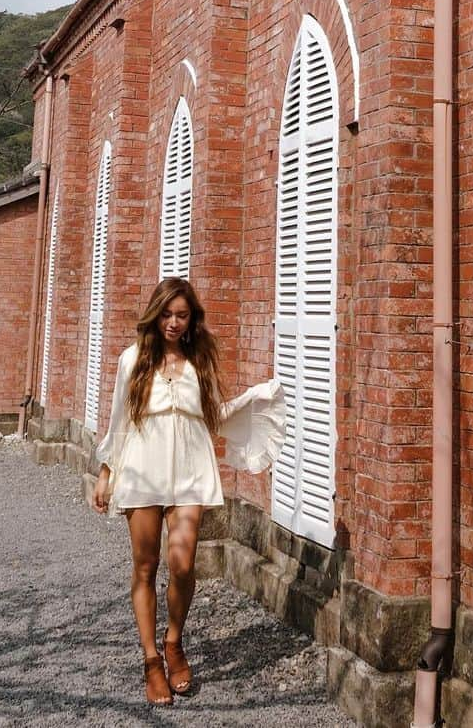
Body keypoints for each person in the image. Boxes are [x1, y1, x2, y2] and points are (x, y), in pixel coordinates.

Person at [91, 277, 285, 706]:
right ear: (154, 314)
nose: (174, 323)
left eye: (182, 315)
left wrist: (257, 398)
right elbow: (119, 419)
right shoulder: (133, 359)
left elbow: (213, 414)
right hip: (142, 468)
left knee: (182, 563)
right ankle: (150, 661)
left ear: (191, 318)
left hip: (189, 469)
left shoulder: (200, 358)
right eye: (167, 314)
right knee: (146, 566)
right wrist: (106, 473)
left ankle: (174, 641)